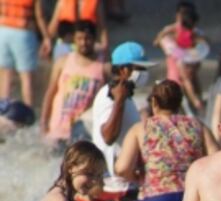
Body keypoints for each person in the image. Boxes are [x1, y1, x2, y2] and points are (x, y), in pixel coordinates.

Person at [91, 41, 154, 177]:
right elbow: (108, 137)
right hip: (112, 183)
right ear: (124, 70)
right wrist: (119, 101)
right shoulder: (110, 96)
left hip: (125, 180)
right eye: (141, 68)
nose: (145, 73)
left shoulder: (126, 97)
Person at [39, 20, 104, 147]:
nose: (83, 42)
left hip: (83, 132)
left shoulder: (102, 68)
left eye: (88, 38)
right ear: (73, 39)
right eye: (79, 38)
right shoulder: (63, 62)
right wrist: (43, 123)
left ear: (94, 39)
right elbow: (50, 93)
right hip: (57, 130)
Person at [154, 1, 207, 115]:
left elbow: (203, 46)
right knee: (179, 107)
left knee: (191, 87)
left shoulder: (193, 31)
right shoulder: (171, 31)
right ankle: (197, 102)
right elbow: (158, 42)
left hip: (189, 74)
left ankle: (197, 102)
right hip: (176, 76)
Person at [0, 0, 51, 107]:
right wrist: (46, 37)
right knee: (26, 77)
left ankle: (3, 110)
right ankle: (28, 112)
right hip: (23, 31)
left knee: (5, 75)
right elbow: (39, 15)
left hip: (3, 29)